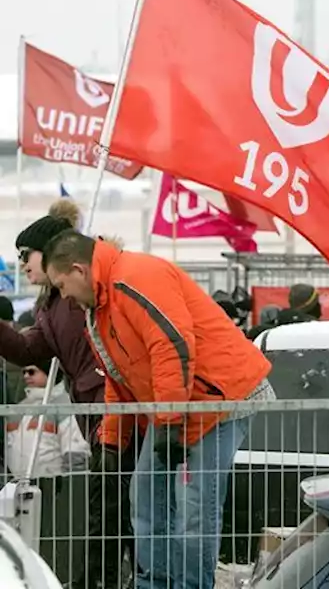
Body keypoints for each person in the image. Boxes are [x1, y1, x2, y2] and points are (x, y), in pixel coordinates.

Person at [42, 230, 275, 589]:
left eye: (61, 285)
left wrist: (166, 422)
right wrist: (112, 441)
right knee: (147, 498)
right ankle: (156, 583)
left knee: (195, 508)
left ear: (79, 269)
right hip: (181, 406)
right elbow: (119, 378)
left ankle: (191, 585)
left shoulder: (136, 278)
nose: (63, 296)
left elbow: (171, 347)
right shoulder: (100, 307)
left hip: (221, 399)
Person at [2, 208, 127, 589]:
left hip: (115, 411)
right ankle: (97, 579)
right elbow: (28, 349)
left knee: (114, 506)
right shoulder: (52, 305)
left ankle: (101, 581)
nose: (22, 264)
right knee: (108, 506)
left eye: (26, 253)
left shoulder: (78, 296)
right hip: (96, 415)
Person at [6, 359, 91, 477]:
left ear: (49, 372)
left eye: (31, 372)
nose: (26, 376)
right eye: (24, 372)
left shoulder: (65, 405)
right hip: (18, 487)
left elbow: (76, 451)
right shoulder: (19, 408)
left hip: (55, 487)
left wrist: (70, 485)